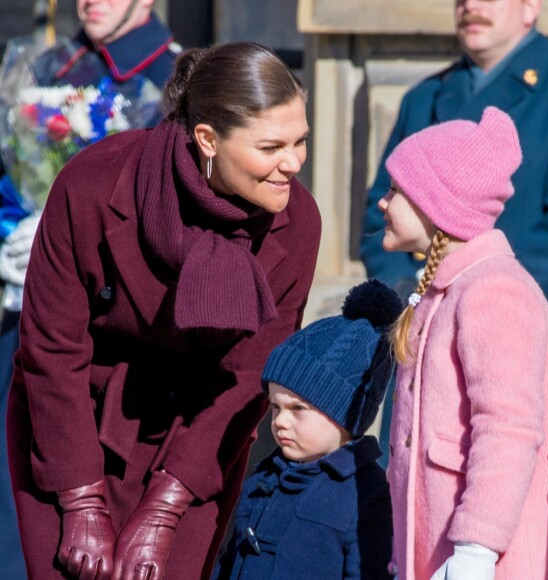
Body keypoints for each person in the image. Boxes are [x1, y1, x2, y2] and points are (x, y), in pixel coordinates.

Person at [7, 41, 321, 580]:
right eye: (271, 147)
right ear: (208, 140)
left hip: (195, 440)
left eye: (300, 142)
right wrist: (81, 500)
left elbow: (248, 377)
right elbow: (51, 350)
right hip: (71, 427)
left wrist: (165, 508)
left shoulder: (298, 224)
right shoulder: (93, 183)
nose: (291, 164)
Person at [0, 2, 177, 578]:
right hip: (22, 306)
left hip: (117, 332)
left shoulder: (176, 76)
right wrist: (13, 232)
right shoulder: (40, 68)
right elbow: (12, 173)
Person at [379, 107, 548, 580]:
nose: (382, 204)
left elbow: (507, 429)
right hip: (438, 556)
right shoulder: (446, 289)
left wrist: (477, 548)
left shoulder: (494, 290)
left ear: (436, 205)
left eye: (396, 191)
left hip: (493, 561)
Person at [361, 0, 548, 376]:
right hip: (424, 332)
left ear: (530, 7)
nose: (471, 6)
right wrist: (408, 293)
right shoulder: (425, 97)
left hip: (522, 331)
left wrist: (476, 290)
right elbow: (377, 215)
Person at [213, 279, 402, 580]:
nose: (279, 421)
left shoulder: (368, 493)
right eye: (275, 407)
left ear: (344, 415)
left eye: (297, 409)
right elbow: (231, 560)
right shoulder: (263, 477)